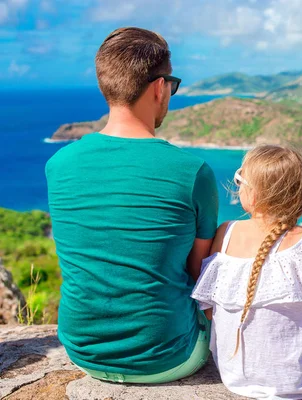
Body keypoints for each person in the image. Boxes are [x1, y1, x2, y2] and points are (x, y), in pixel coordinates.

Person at [45, 27, 219, 383]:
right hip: (169, 357)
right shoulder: (192, 173)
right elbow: (200, 274)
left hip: (83, 352)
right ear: (160, 87)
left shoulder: (57, 166)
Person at [191, 145, 302, 399]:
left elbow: (210, 311)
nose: (237, 185)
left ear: (254, 195)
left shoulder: (225, 234)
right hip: (297, 382)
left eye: (240, 179)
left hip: (234, 377)